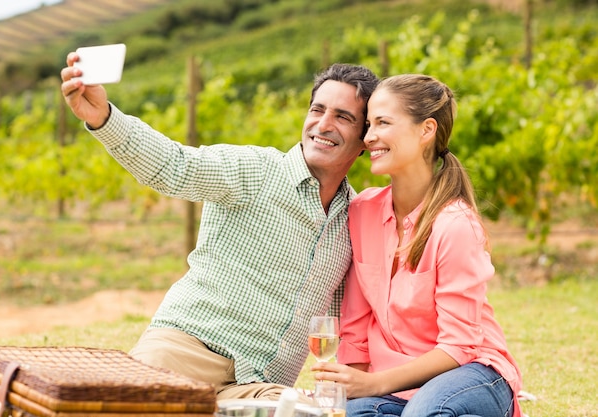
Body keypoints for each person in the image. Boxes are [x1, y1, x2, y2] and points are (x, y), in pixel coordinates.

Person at [60, 55, 379, 402]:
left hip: (259, 385)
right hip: (183, 353)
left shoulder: (354, 218)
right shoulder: (254, 170)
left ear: (366, 138)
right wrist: (104, 119)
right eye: (317, 110)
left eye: (343, 117)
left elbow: (343, 321)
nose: (323, 124)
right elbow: (173, 166)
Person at [311, 74, 523, 417]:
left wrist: (374, 385)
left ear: (426, 130)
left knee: (424, 413)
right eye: (368, 124)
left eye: (383, 123)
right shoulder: (362, 212)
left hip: (469, 373)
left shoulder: (454, 224)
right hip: (396, 388)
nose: (369, 137)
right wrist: (350, 392)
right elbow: (356, 328)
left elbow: (459, 346)